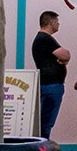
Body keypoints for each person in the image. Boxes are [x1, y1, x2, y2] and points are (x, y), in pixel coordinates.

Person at [30, 10, 70, 139]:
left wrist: (64, 59)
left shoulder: (43, 39)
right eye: (57, 21)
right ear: (51, 22)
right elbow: (65, 55)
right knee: (47, 120)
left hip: (49, 85)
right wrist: (65, 58)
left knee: (46, 120)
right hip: (51, 86)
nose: (58, 24)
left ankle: (43, 147)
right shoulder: (45, 39)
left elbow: (64, 57)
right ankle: (44, 150)